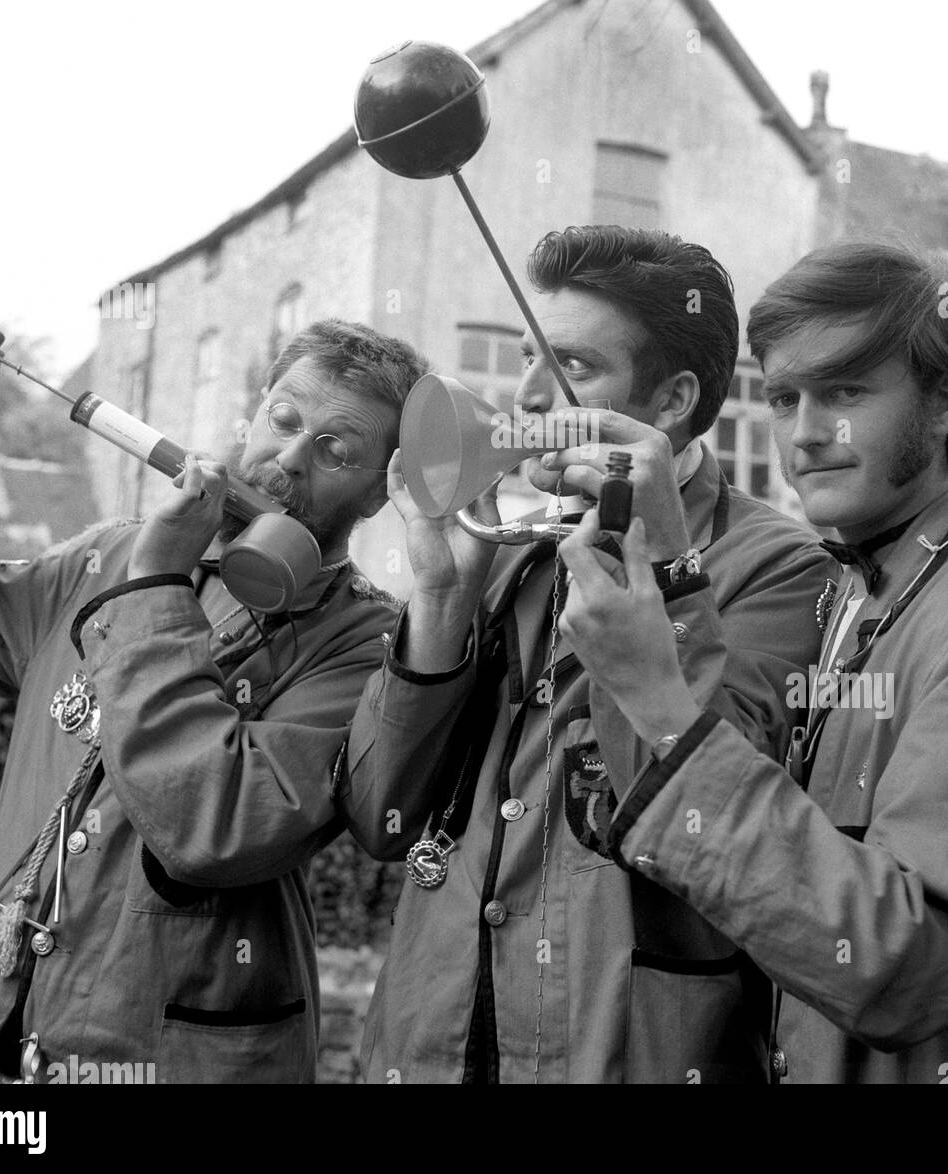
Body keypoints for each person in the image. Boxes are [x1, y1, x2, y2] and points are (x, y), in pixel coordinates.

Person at [558, 241, 948, 1083]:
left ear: (943, 402)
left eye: (846, 391)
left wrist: (662, 703)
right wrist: (668, 587)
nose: (808, 434)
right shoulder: (858, 598)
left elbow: (911, 966)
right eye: (785, 399)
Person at [0, 281, 426, 1083]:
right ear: (251, 416)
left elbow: (212, 826)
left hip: (178, 1054)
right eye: (283, 421)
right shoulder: (106, 553)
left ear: (381, 489)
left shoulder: (365, 641)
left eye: (335, 450)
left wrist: (153, 587)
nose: (287, 459)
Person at [342, 225, 836, 1083]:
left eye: (569, 366)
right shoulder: (508, 548)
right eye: (525, 362)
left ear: (673, 398)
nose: (526, 395)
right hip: (431, 1048)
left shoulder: (777, 567)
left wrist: (664, 579)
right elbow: (381, 816)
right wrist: (441, 600)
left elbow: (710, 833)